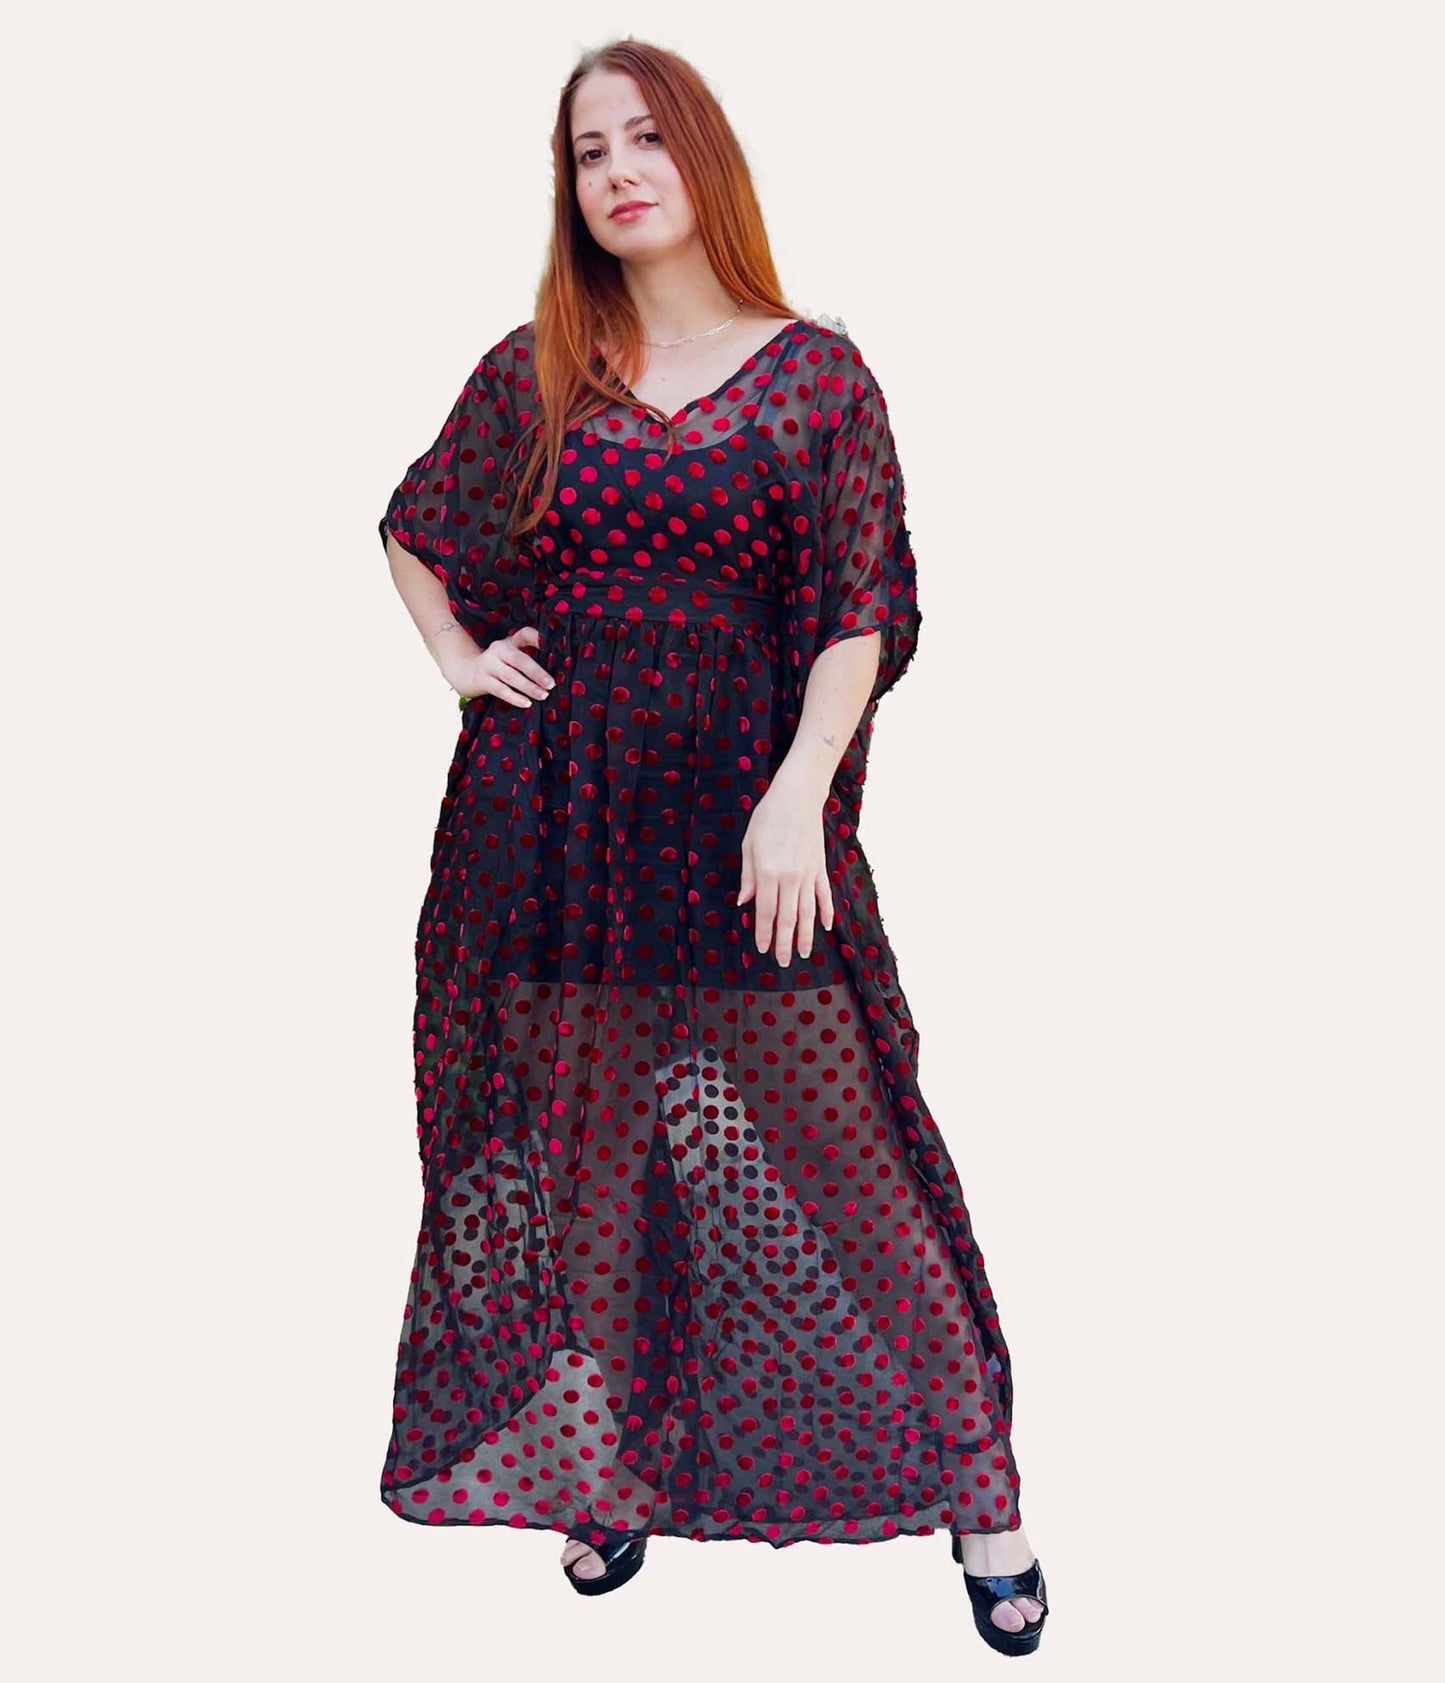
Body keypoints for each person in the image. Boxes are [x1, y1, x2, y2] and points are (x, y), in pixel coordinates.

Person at [376, 36, 1049, 1656]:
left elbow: (860, 605)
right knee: (584, 1171)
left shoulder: (813, 377)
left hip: (746, 831)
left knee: (854, 1165)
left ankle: (984, 1498)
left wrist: (801, 788)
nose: (617, 172)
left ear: (701, 158)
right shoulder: (536, 371)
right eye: (586, 151)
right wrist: (460, 657)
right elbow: (414, 526)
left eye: (644, 139)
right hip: (552, 831)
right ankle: (603, 1472)